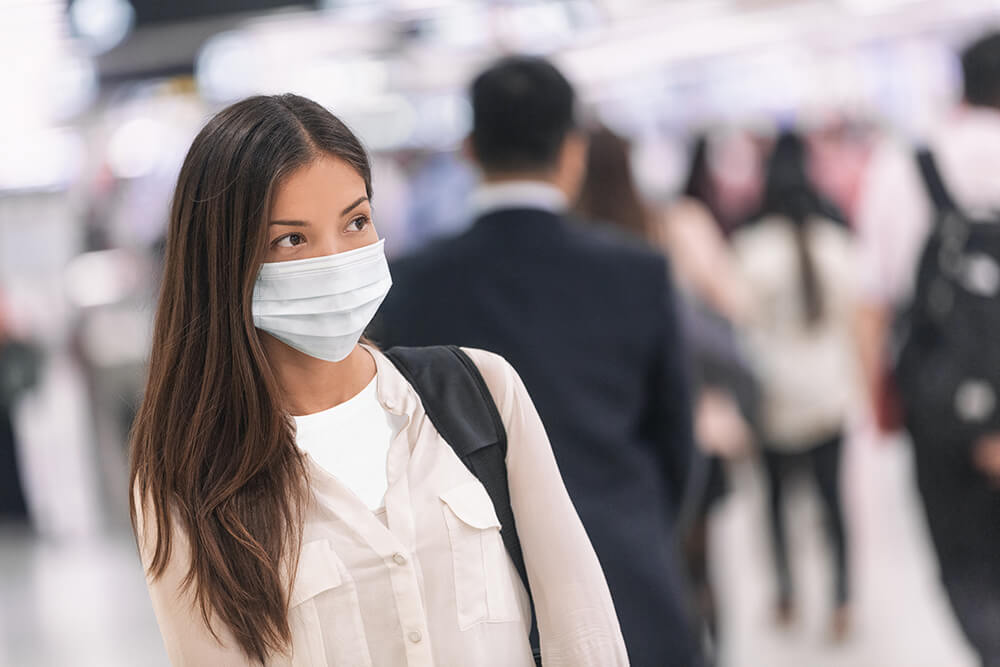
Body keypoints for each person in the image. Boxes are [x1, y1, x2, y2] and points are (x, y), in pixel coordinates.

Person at [129, 93, 627, 667]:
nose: (337, 258)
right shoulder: (188, 473)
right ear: (224, 261)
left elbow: (582, 626)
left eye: (356, 222)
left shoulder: (481, 392)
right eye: (292, 239)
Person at [371, 58, 701, 667]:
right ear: (572, 151)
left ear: (469, 149)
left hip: (480, 608)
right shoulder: (638, 272)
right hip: (629, 579)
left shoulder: (413, 286)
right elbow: (676, 442)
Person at [574, 125, 759, 658]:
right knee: (699, 566)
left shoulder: (571, 251)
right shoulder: (676, 225)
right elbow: (734, 309)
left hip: (611, 434)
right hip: (696, 419)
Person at [855, 30, 1000, 665]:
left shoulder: (902, 166)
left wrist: (881, 402)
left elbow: (869, 305)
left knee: (964, 565)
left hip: (939, 404)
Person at [730, 131, 858, 639]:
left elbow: (739, 325)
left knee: (777, 500)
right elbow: (855, 319)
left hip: (773, 397)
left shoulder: (751, 250)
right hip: (830, 392)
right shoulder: (834, 243)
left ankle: (785, 593)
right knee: (833, 502)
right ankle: (842, 600)